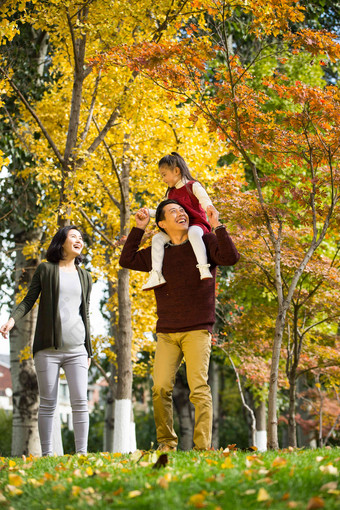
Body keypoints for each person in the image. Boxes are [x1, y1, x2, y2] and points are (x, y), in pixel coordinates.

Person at [119, 199, 240, 451]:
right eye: (174, 211)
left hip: (197, 328)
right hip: (167, 331)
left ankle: (202, 448)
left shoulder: (204, 243)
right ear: (162, 223)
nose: (181, 213)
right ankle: (166, 443)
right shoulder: (157, 253)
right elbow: (127, 259)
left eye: (183, 210)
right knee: (160, 387)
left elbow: (230, 257)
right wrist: (139, 228)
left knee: (199, 388)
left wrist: (217, 226)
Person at [0, 226, 92, 456]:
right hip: (47, 350)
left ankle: (82, 453)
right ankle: (47, 454)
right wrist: (12, 320)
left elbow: (86, 313)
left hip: (77, 349)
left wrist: (89, 351)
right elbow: (29, 299)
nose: (79, 240)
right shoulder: (46, 269)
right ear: (61, 242)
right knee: (48, 403)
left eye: (81, 238)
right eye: (74, 236)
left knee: (80, 401)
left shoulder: (85, 276)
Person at [142, 152, 218, 291]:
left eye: (164, 174)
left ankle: (203, 268)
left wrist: (210, 210)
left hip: (197, 224)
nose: (163, 179)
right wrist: (149, 212)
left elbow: (205, 200)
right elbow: (163, 211)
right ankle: (156, 275)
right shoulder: (170, 193)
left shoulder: (192, 186)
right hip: (179, 228)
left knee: (193, 233)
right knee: (158, 238)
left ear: (176, 171)